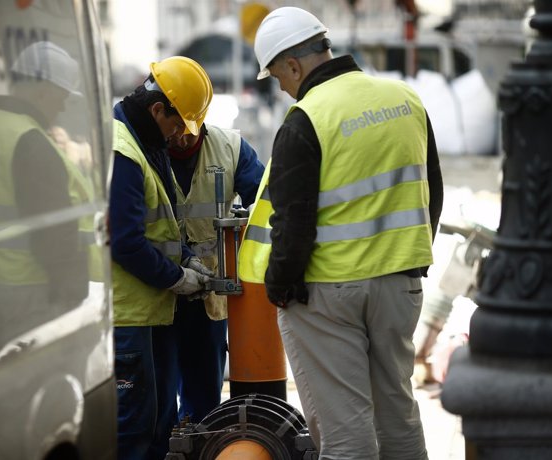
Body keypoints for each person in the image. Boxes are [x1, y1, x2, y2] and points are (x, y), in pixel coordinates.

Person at [239, 7, 444, 459]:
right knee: (398, 415)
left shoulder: (306, 118)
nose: (281, 87)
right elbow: (432, 188)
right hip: (400, 285)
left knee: (346, 432)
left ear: (293, 65)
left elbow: (293, 221)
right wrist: (410, 259)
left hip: (328, 295)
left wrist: (280, 287)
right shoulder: (405, 99)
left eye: (277, 76)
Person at [0, 41, 90, 365]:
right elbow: (53, 232)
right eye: (61, 96)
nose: (62, 107)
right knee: (30, 391)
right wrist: (71, 296)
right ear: (42, 89)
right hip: (29, 294)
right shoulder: (29, 141)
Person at [109, 56, 214, 460]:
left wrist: (188, 260)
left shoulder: (147, 145)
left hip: (150, 314)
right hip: (129, 316)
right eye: (175, 124)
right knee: (135, 432)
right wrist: (176, 278)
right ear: (157, 110)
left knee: (158, 426)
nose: (177, 136)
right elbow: (128, 243)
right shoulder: (124, 152)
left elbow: (163, 223)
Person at [159, 123, 264, 426]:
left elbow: (265, 203)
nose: (181, 136)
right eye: (175, 126)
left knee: (203, 402)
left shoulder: (230, 148)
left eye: (189, 129)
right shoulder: (145, 149)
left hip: (208, 294)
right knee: (154, 402)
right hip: (155, 292)